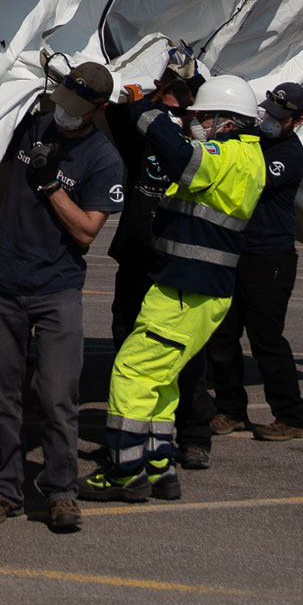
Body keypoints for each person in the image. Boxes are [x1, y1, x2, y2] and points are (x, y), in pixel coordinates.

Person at [80, 73, 265, 502]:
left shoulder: (227, 155)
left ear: (227, 121)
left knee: (131, 372)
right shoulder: (249, 156)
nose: (197, 122)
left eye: (203, 117)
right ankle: (159, 464)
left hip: (185, 287)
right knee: (163, 379)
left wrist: (145, 108)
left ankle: (125, 472)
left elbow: (181, 158)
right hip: (203, 290)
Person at [0, 55, 122, 534]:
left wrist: (52, 185)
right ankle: (4, 490)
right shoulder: (32, 128)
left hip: (55, 289)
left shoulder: (103, 159)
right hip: (1, 283)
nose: (65, 111)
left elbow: (85, 233)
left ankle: (60, 492)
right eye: (63, 100)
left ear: (97, 109)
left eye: (77, 106)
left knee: (57, 397)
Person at [100, 44, 212, 468]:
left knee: (186, 351)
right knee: (128, 339)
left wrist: (190, 106)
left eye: (188, 88)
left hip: (181, 255)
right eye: (173, 85)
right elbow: (118, 113)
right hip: (138, 251)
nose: (181, 95)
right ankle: (132, 435)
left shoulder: (201, 129)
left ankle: (196, 435)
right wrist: (151, 92)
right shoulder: (144, 123)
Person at [203, 82, 303, 441]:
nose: (269, 120)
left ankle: (292, 416)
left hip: (270, 257)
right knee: (222, 335)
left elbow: (251, 179)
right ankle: (230, 409)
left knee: (266, 339)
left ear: (297, 120)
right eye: (268, 112)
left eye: (279, 116)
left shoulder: (291, 154)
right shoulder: (254, 139)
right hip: (234, 249)